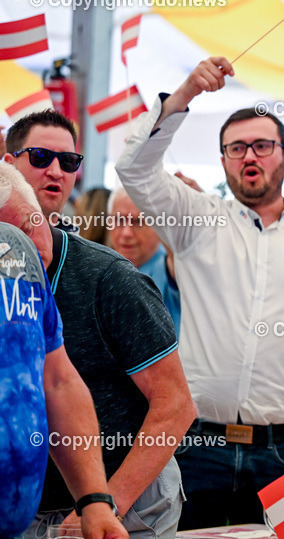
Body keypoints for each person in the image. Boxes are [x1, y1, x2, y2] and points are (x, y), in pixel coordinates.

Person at [114, 57, 284, 526]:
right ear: (223, 161)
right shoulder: (194, 221)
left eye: (261, 146)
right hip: (197, 446)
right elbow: (133, 167)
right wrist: (186, 92)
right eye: (236, 149)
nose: (249, 157)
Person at [1, 161, 195, 538]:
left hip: (130, 498)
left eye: (30, 226)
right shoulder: (17, 280)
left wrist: (103, 501)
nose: (26, 249)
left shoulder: (109, 278)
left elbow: (176, 405)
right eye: (9, 241)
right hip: (35, 509)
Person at [0, 179, 126, 539]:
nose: (19, 247)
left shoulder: (24, 273)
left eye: (30, 226)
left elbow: (58, 381)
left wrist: (94, 499)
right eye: (11, 231)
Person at [108, 189, 182, 336]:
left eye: (137, 222)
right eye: (119, 220)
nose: (126, 233)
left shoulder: (169, 268)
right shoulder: (103, 268)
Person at [4, 110, 83, 232]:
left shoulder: (86, 250)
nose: (56, 173)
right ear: (10, 164)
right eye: (41, 157)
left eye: (67, 160)